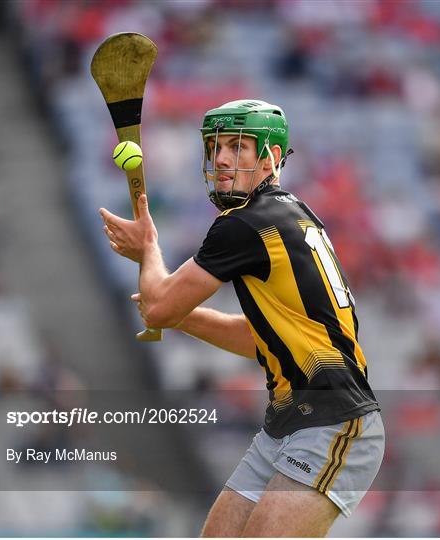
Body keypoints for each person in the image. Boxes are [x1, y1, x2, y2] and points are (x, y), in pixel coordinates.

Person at [99, 100, 385, 537]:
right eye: (216, 147)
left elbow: (158, 306)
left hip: (333, 420)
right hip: (287, 424)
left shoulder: (246, 224)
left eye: (239, 147)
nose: (223, 159)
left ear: (271, 158)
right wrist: (179, 316)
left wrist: (147, 249)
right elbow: (259, 339)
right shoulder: (287, 214)